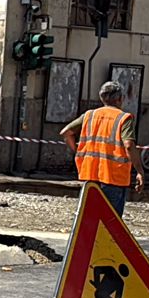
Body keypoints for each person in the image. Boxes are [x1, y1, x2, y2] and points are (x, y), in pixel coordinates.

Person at [62, 80, 144, 215]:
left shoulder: (89, 115)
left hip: (90, 175)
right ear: (120, 98)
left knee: (89, 218)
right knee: (110, 222)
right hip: (114, 178)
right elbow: (128, 145)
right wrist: (140, 171)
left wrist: (77, 151)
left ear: (102, 98)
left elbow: (66, 133)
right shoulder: (124, 118)